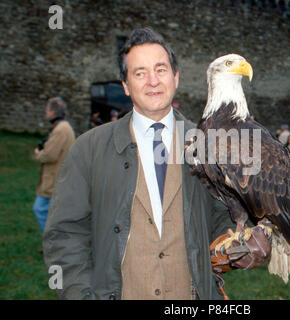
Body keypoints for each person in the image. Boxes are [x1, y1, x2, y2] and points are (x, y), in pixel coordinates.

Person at [42, 27, 270, 300]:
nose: (152, 81)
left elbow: (224, 217)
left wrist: (238, 246)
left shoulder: (211, 145)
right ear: (125, 85)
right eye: (140, 73)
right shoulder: (87, 149)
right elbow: (64, 234)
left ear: (175, 78)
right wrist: (80, 295)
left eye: (161, 70)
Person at [33, 97, 75, 232]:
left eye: (47, 110)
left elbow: (50, 155)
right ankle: (55, 245)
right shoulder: (62, 128)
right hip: (59, 177)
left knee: (40, 209)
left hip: (55, 179)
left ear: (52, 112)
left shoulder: (61, 130)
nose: (46, 113)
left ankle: (53, 244)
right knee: (54, 214)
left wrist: (38, 153)